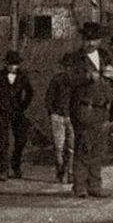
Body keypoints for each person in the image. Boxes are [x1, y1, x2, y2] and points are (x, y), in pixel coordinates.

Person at [66, 22, 113, 198]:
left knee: (98, 148)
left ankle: (95, 185)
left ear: (100, 40)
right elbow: (68, 79)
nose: (90, 43)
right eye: (87, 39)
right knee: (83, 146)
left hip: (103, 108)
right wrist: (87, 76)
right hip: (84, 108)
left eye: (94, 39)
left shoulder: (106, 56)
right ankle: (79, 186)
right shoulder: (74, 58)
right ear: (83, 40)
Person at [0, 50, 34, 180]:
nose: (12, 67)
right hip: (3, 111)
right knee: (2, 140)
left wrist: (23, 105)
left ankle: (16, 165)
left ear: (19, 65)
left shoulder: (23, 77)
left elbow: (30, 92)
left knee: (21, 139)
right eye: (10, 64)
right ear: (6, 64)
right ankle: (4, 169)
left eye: (15, 64)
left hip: (18, 112)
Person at [44, 53, 74, 184]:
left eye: (71, 66)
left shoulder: (78, 82)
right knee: (59, 147)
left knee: (72, 147)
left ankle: (70, 172)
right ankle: (60, 171)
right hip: (58, 116)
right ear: (63, 67)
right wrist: (52, 113)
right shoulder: (56, 80)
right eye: (66, 66)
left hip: (73, 117)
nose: (69, 69)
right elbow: (49, 98)